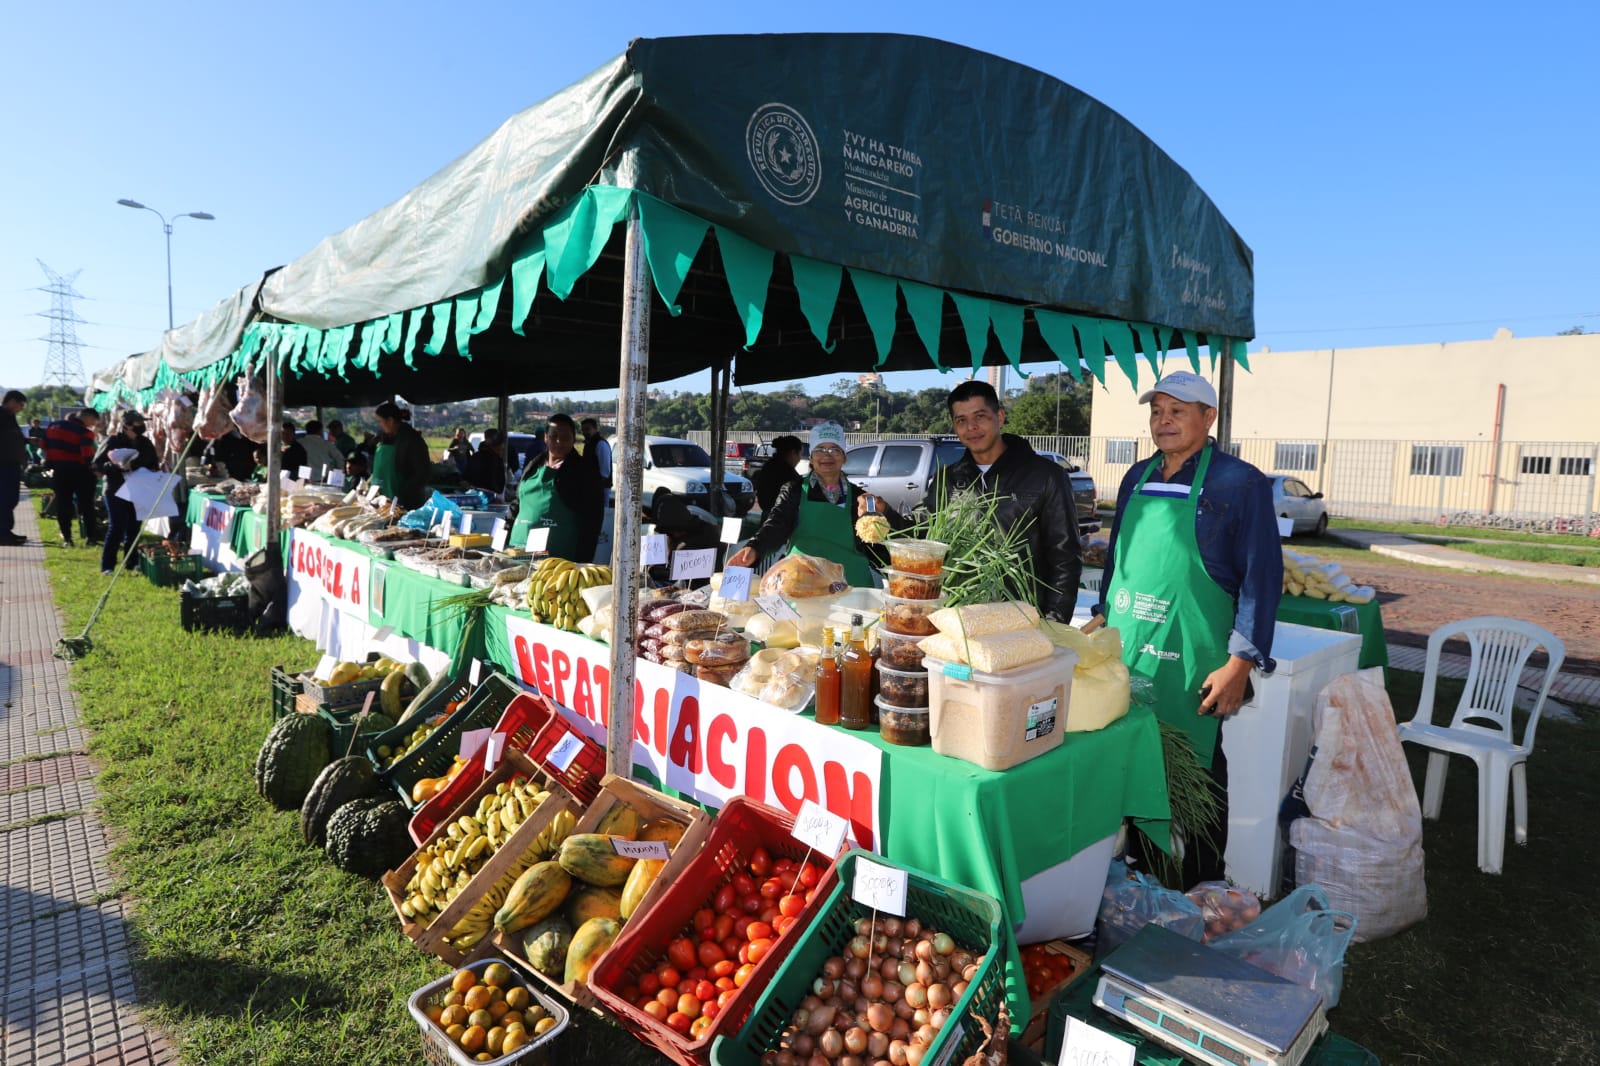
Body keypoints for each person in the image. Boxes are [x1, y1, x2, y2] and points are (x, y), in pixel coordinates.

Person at [1090, 370, 1283, 887]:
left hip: (1193, 659)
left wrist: (1240, 662)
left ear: (1209, 417)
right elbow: (1120, 557)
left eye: (1178, 411)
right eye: (1157, 411)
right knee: (1129, 758)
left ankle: (1200, 886)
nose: (1164, 420)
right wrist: (1104, 610)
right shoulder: (1136, 476)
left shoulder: (1240, 483)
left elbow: (1261, 581)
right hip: (1129, 651)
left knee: (1194, 770)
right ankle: (1134, 877)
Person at [873, 381, 1081, 618]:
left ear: (1000, 417)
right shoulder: (948, 479)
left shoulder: (1046, 476)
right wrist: (886, 513)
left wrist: (1055, 622)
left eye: (980, 416)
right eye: (961, 420)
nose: (971, 427)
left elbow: (1065, 557)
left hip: (1021, 618)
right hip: (959, 615)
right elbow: (923, 538)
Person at [729, 422, 893, 587]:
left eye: (835, 450)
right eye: (820, 450)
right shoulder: (794, 490)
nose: (827, 456)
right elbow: (776, 525)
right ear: (812, 458)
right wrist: (755, 548)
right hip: (801, 580)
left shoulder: (861, 498)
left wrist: (885, 512)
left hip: (851, 585)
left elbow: (880, 543)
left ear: (844, 457)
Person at [510, 414, 604, 562]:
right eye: (554, 436)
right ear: (546, 438)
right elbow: (516, 504)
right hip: (517, 552)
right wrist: (503, 534)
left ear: (574, 439)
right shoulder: (533, 465)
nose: (559, 441)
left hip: (558, 559)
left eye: (566, 437)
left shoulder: (584, 471)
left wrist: (583, 561)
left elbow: (593, 519)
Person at [93, 410, 160, 575]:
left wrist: (140, 468)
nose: (142, 427)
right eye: (138, 424)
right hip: (116, 489)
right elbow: (97, 465)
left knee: (134, 528)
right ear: (126, 425)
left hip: (138, 488)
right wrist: (117, 466)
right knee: (116, 527)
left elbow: (153, 464)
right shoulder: (113, 441)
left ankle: (132, 562)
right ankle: (107, 566)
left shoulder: (145, 442)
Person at [43, 406, 103, 547]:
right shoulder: (85, 433)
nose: (93, 424)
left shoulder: (53, 427)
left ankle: (67, 539)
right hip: (81, 473)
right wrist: (94, 469)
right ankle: (91, 538)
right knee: (87, 506)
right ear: (87, 417)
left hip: (60, 472)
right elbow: (87, 455)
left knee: (63, 505)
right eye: (93, 421)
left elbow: (44, 445)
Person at [371, 401, 432, 508]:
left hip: (405, 501)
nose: (380, 425)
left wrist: (403, 493)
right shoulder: (385, 438)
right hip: (383, 500)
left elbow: (422, 472)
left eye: (380, 421)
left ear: (390, 421)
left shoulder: (412, 439)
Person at [1, 390, 28, 545]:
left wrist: (26, 441)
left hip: (11, 464)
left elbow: (10, 438)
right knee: (5, 499)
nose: (21, 408)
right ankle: (3, 534)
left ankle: (6, 531)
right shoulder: (2, 416)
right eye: (20, 404)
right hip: (3, 465)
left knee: (10, 499)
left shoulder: (9, 417)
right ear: (11, 401)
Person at [752, 434, 804, 513]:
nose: (800, 459)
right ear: (793, 453)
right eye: (800, 454)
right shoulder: (786, 473)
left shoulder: (770, 466)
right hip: (781, 519)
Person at [465, 429, 507, 497]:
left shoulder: (476, 456)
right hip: (489, 497)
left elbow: (466, 477)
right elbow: (494, 483)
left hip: (476, 496)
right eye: (501, 445)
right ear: (495, 446)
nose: (502, 448)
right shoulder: (494, 460)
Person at [579, 418, 613, 487]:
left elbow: (604, 473)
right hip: (592, 486)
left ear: (595, 429)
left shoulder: (601, 444)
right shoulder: (589, 443)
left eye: (587, 429)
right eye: (583, 430)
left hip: (601, 488)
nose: (584, 432)